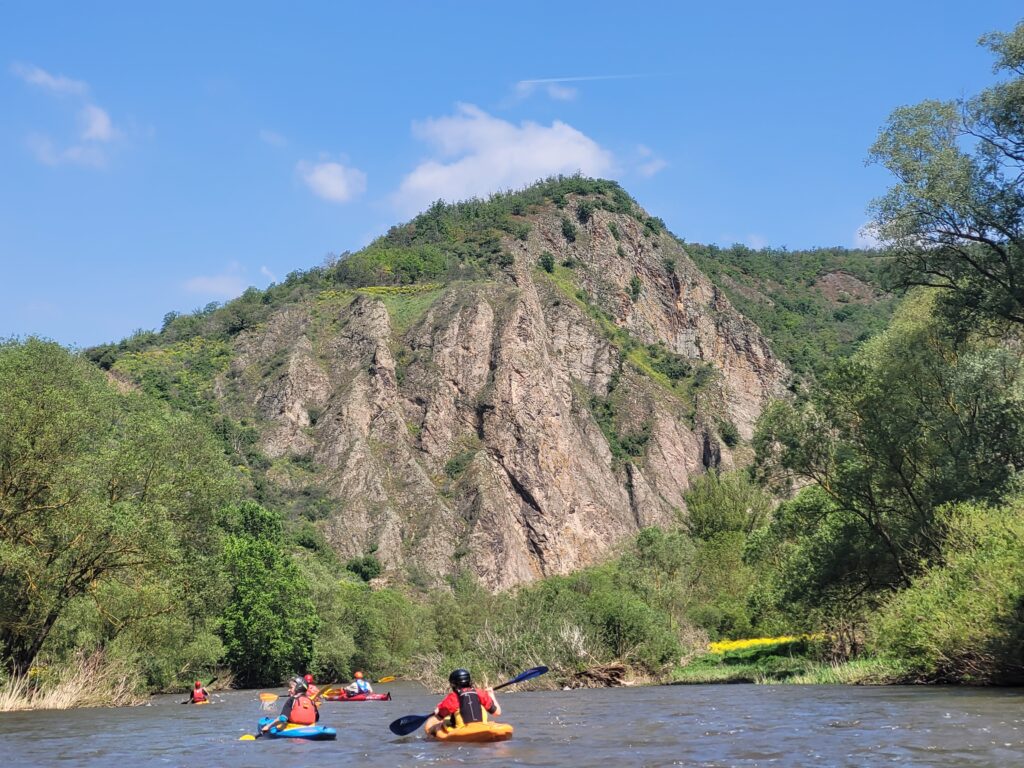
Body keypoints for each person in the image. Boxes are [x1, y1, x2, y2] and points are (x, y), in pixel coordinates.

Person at [423, 668, 501, 736]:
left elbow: (440, 716)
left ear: (453, 684)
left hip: (462, 730)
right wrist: (491, 694)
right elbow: (497, 713)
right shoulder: (480, 693)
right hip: (483, 727)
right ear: (469, 681)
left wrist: (437, 711)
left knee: (432, 726)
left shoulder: (453, 697)